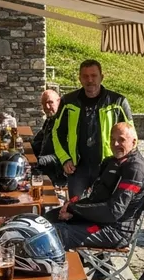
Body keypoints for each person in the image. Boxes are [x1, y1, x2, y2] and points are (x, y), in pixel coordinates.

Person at [46, 122, 144, 250]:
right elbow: (95, 198)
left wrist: (74, 210)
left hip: (115, 231)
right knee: (46, 219)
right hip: (99, 221)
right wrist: (71, 208)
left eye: (121, 140)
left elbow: (114, 212)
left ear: (134, 142)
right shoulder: (111, 162)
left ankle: (57, 267)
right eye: (112, 139)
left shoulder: (136, 169)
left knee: (53, 233)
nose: (115, 144)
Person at [52, 60, 133, 200]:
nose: (90, 80)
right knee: (75, 210)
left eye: (94, 75)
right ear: (80, 79)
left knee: (102, 209)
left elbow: (132, 137)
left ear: (102, 77)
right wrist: (65, 159)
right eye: (85, 76)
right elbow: (57, 132)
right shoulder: (68, 101)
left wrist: (125, 164)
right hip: (77, 168)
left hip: (107, 167)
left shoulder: (118, 101)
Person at [32, 88, 64, 184]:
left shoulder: (64, 123)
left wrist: (41, 160)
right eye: (44, 104)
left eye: (50, 102)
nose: (47, 106)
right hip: (43, 167)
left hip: (57, 172)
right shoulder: (49, 121)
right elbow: (37, 141)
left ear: (59, 101)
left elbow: (67, 155)